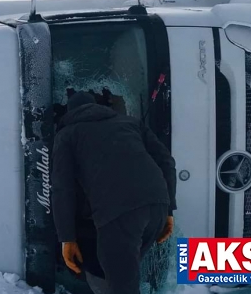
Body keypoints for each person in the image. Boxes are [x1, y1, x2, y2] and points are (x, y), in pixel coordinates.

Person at [52, 91, 177, 294]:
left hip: (120, 214)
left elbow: (62, 189)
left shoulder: (67, 135)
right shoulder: (130, 124)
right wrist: (169, 208)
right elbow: (166, 162)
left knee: (119, 285)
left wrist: (67, 238)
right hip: (158, 204)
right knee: (120, 273)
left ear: (70, 113)